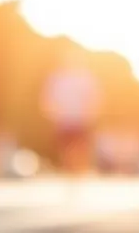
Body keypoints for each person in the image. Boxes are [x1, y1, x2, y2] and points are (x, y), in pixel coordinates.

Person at [41, 46, 100, 175]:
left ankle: (79, 171)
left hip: (81, 119)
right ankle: (69, 170)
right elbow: (49, 98)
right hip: (63, 120)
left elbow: (93, 97)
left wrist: (91, 114)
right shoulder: (56, 77)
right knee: (66, 147)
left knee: (80, 148)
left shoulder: (86, 77)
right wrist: (52, 114)